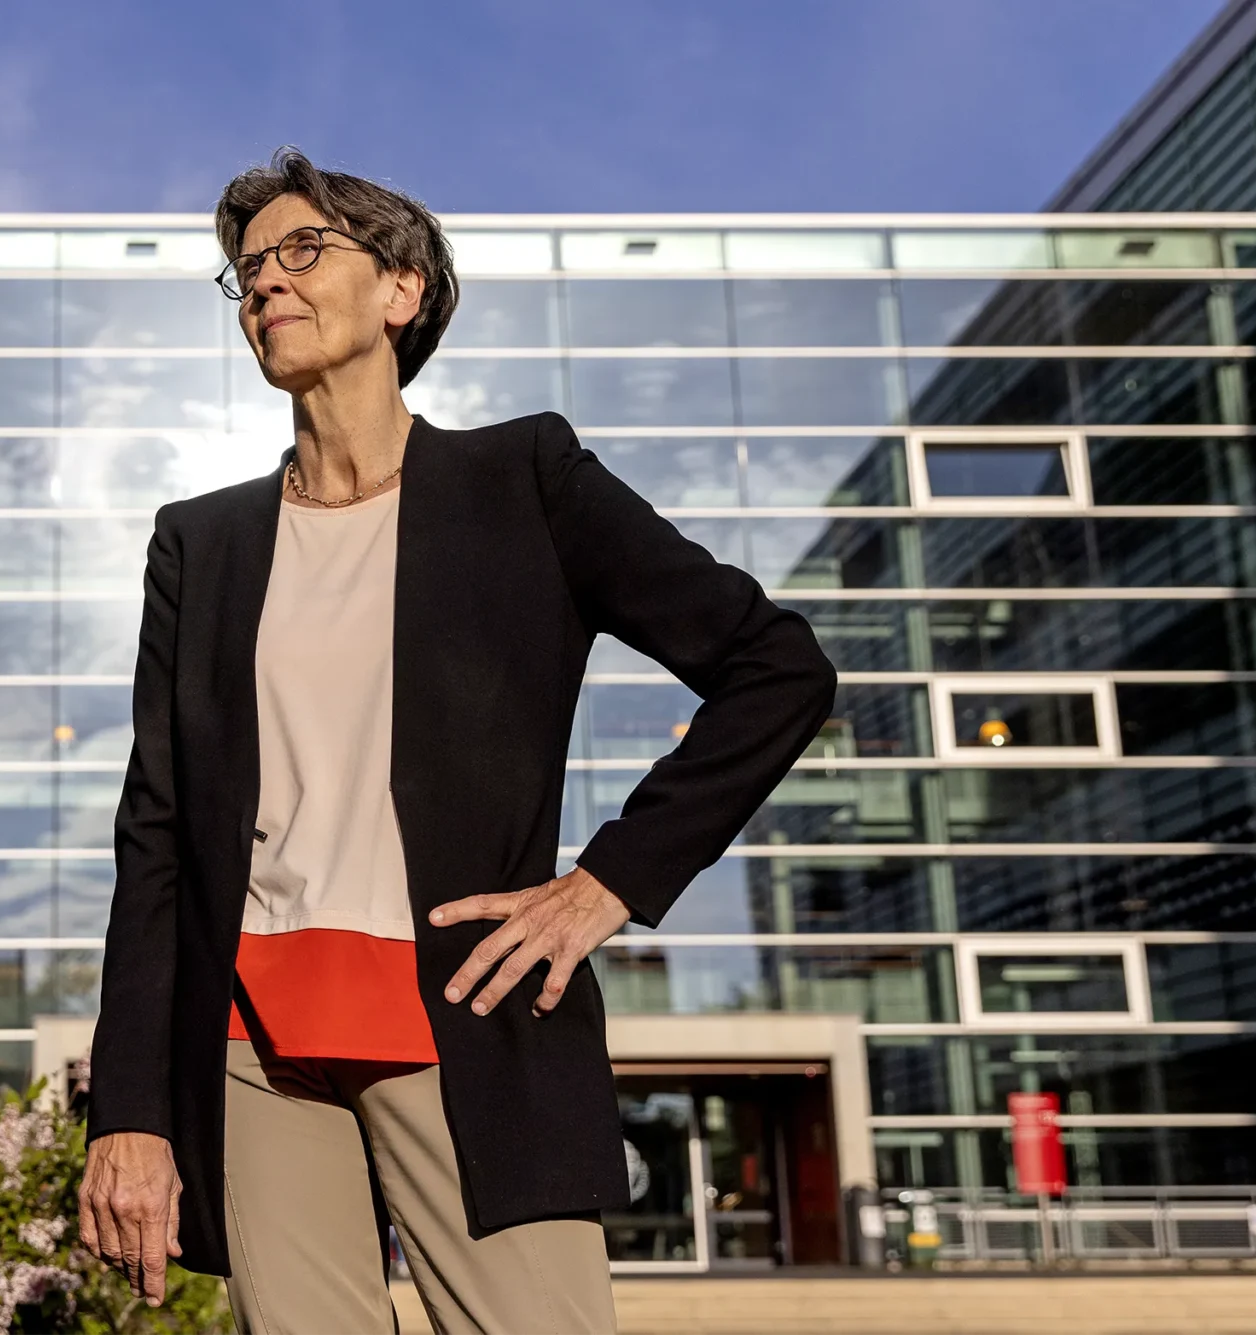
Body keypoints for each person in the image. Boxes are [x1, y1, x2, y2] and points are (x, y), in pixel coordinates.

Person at [75, 148, 839, 1333]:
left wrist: (606, 885)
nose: (264, 282)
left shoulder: (522, 479)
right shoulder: (202, 544)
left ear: (400, 288)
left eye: (299, 250)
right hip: (247, 1046)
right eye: (246, 270)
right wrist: (128, 1109)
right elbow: (158, 838)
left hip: (464, 1015)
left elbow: (776, 669)